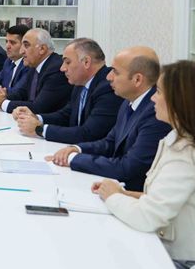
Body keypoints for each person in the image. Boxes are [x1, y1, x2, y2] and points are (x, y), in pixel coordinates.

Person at [92, 61, 195, 269]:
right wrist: (125, 194)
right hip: (190, 256)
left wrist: (112, 197)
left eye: (158, 92)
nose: (152, 99)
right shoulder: (186, 140)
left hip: (194, 265)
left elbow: (148, 217)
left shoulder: (188, 153)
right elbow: (173, 200)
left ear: (179, 100)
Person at [47, 46, 172, 191]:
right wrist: (77, 149)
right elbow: (110, 143)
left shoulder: (156, 113)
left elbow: (128, 167)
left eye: (115, 72)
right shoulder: (128, 101)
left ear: (137, 79)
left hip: (134, 194)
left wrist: (73, 159)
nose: (108, 77)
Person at [14, 38, 122, 144]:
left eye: (67, 62)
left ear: (86, 62)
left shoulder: (108, 88)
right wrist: (36, 117)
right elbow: (66, 115)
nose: (62, 68)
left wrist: (40, 129)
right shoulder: (81, 83)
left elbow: (89, 134)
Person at [0, 28, 71, 114]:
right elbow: (21, 93)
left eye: (26, 45)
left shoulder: (56, 69)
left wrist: (3, 103)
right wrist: (1, 96)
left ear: (42, 49)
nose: (21, 51)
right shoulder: (34, 66)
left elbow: (39, 107)